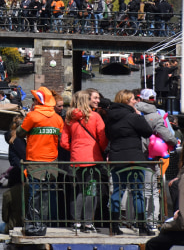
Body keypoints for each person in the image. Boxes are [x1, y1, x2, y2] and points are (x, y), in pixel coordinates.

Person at [106, 89, 154, 236]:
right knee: (138, 191)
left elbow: (108, 135)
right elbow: (147, 132)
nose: (136, 101)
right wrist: (139, 116)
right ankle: (142, 226)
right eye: (133, 99)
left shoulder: (110, 117)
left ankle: (114, 226)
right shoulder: (133, 116)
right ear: (127, 101)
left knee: (117, 191)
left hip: (117, 158)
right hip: (134, 158)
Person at [16, 86, 64, 235]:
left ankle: (35, 223)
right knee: (49, 193)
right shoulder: (57, 118)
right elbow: (60, 138)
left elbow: (19, 133)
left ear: (37, 101)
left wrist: (29, 115)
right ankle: (51, 222)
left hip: (35, 161)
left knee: (34, 192)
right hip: (52, 161)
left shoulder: (33, 116)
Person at [60, 91, 108, 233]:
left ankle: (76, 223)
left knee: (80, 191)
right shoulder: (95, 116)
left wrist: (75, 148)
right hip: (93, 159)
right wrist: (101, 150)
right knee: (91, 191)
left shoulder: (69, 118)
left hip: (77, 159)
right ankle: (88, 223)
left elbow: (63, 142)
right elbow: (102, 137)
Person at [136, 88, 177, 231]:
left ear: (139, 98)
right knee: (152, 190)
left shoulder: (133, 113)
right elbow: (166, 135)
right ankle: (151, 221)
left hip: (132, 155)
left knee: (131, 188)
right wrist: (174, 141)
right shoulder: (155, 116)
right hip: (150, 157)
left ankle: (131, 220)